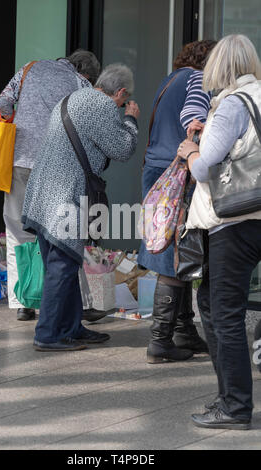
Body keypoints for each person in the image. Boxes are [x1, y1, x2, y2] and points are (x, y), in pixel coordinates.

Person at [21, 64, 140, 352]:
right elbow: (122, 148)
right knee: (62, 264)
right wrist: (131, 121)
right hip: (65, 193)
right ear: (120, 92)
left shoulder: (72, 97)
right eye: (124, 100)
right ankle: (48, 334)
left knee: (63, 260)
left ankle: (71, 327)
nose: (124, 104)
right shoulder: (100, 104)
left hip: (44, 190)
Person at [177, 34, 261, 430]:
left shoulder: (231, 105)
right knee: (212, 303)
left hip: (234, 219)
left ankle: (235, 406)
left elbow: (203, 167)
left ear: (219, 67)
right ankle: (229, 397)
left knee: (222, 312)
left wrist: (189, 149)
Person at [0, 50, 101, 321]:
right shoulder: (81, 83)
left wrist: (21, 125)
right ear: (85, 71)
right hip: (56, 166)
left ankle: (23, 302)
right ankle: (80, 303)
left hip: (19, 160)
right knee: (64, 231)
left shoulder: (29, 69)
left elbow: (3, 102)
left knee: (18, 231)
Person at [138, 40, 216, 364]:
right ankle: (160, 341)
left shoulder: (169, 79)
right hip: (177, 173)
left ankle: (184, 330)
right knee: (175, 255)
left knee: (173, 252)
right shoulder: (197, 79)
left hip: (156, 170)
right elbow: (194, 120)